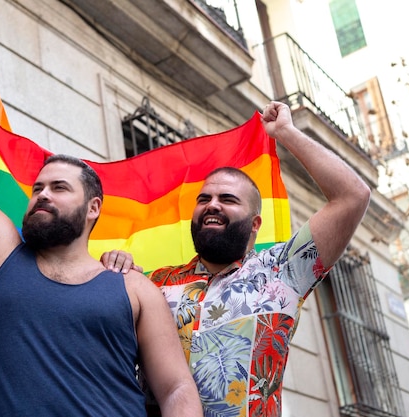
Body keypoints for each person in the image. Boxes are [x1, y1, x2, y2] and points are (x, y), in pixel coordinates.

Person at [0, 12, 203, 417]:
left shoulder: (136, 289)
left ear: (93, 209)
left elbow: (175, 388)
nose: (42, 196)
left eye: (59, 188)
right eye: (37, 189)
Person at [101, 101, 371, 416]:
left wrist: (285, 132)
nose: (212, 205)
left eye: (227, 199)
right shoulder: (152, 282)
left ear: (255, 224)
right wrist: (114, 265)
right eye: (204, 199)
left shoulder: (283, 272)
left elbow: (353, 197)